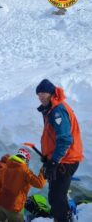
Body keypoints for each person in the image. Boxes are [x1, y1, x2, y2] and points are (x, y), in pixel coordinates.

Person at [36, 79, 83, 222]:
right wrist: (48, 157)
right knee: (55, 197)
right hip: (61, 159)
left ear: (51, 93)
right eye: (38, 94)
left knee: (57, 198)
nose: (40, 96)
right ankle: (64, 218)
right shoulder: (51, 109)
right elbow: (52, 138)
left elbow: (65, 139)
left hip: (65, 160)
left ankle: (65, 219)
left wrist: (54, 161)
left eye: (43, 93)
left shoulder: (57, 111)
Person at [0, 148, 46, 222]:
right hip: (14, 208)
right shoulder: (25, 171)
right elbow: (40, 184)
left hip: (0, 205)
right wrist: (44, 170)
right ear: (25, 160)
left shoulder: (5, 167)